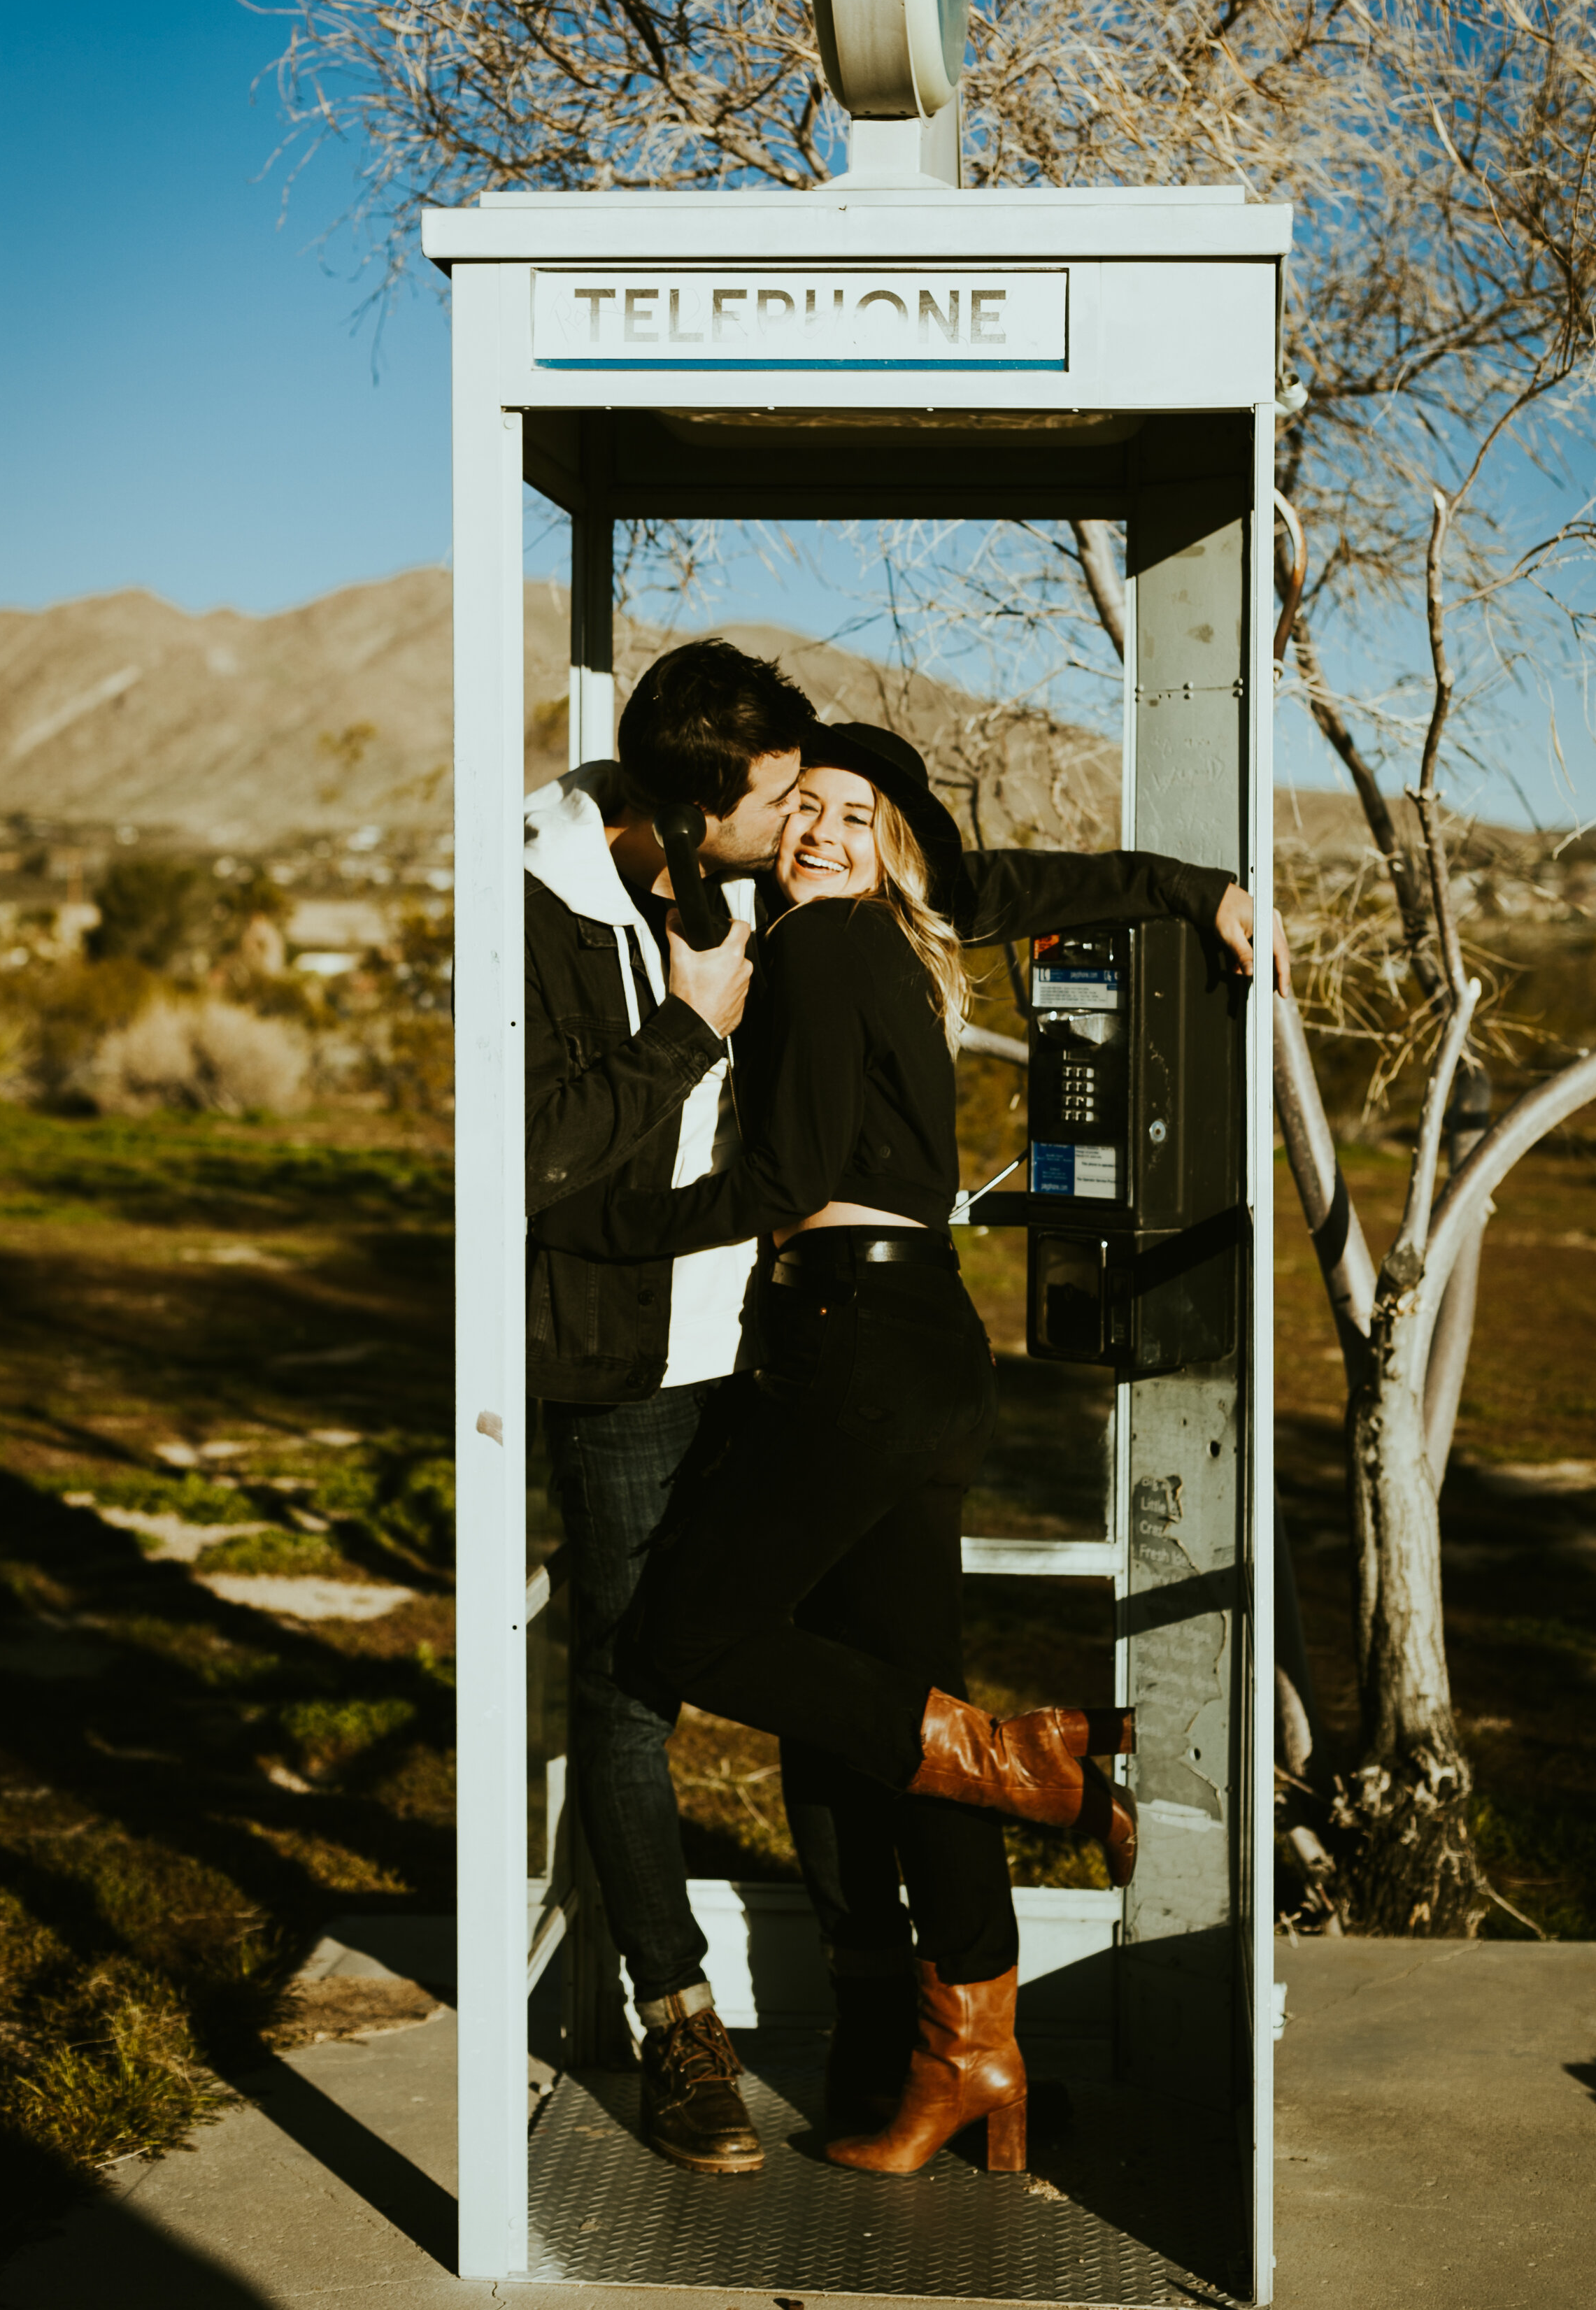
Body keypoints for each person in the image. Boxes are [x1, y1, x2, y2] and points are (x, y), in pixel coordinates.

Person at [541, 722, 1282, 2177]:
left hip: (850, 1352)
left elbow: (784, 1176)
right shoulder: (897, 930)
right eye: (800, 806)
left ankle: (1031, 1762)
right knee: (908, 1715)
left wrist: (591, 1220)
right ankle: (974, 2061)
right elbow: (1011, 880)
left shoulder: (816, 950)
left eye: (846, 810)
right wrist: (1183, 888)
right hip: (919, 1348)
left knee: (685, 1637)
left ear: (888, 834)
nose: (815, 829)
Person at [525, 636, 813, 2174]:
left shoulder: (724, 876)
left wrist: (1182, 891)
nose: (795, 823)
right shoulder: (536, 895)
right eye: (773, 801)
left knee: (819, 1646)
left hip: (764, 1337)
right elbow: (537, 1155)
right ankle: (675, 2015)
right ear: (694, 811)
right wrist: (689, 1025)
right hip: (627, 1361)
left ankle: (899, 1986)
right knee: (632, 1691)